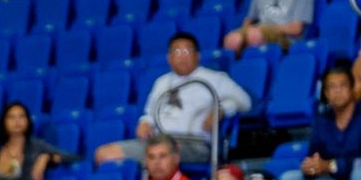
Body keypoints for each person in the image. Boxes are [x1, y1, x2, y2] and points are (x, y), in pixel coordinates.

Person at [95, 32, 250, 166]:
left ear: (198, 55)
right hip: (159, 142)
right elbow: (151, 113)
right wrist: (145, 122)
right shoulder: (161, 82)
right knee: (104, 154)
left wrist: (220, 110)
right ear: (169, 57)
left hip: (193, 144)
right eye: (177, 51)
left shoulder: (214, 79)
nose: (182, 56)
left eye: (187, 51)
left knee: (159, 155)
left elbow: (245, 101)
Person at [282, 64, 361, 180]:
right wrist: (311, 166)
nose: (337, 91)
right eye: (331, 87)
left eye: (342, 86)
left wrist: (332, 166)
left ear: (352, 89)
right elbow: (314, 154)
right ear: (326, 93)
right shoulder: (322, 119)